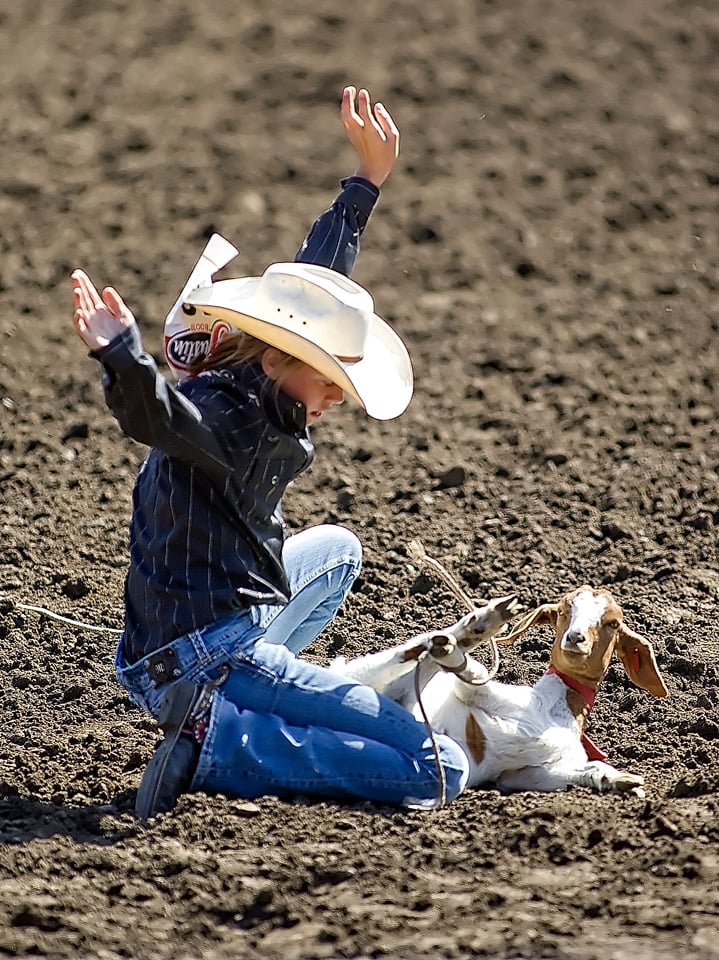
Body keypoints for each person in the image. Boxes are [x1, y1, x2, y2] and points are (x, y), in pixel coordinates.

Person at [71, 86, 469, 819]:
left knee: (338, 552)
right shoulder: (242, 427)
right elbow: (155, 418)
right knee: (437, 764)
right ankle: (220, 745)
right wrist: (122, 358)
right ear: (287, 359)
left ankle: (226, 708)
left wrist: (364, 184)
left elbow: (315, 289)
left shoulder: (233, 378)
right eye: (332, 381)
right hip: (208, 654)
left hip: (158, 643)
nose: (335, 400)